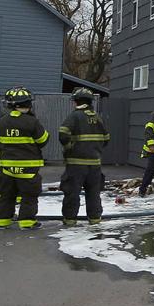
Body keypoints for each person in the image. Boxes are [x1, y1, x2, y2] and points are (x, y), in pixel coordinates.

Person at [0, 88, 49, 230]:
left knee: (6, 195)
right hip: (28, 169)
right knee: (29, 195)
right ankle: (27, 222)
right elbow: (43, 140)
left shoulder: (2, 121)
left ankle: (2, 221)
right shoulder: (32, 122)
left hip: (7, 168)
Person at [58, 87, 110, 226]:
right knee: (93, 193)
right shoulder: (97, 118)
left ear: (76, 101)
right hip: (94, 164)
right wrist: (95, 150)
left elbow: (63, 134)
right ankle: (95, 219)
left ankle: (70, 220)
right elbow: (106, 138)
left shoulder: (75, 116)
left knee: (72, 193)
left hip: (76, 164)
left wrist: (69, 147)